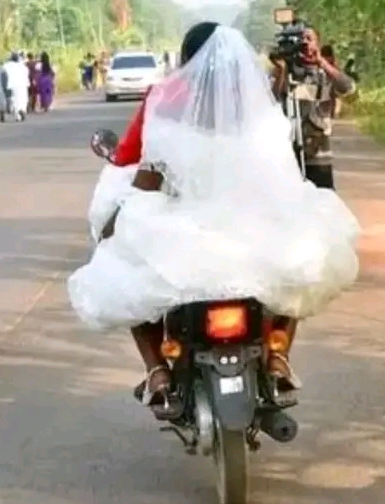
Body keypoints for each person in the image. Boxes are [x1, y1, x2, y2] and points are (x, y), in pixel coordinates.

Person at [68, 22, 359, 420]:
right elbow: (282, 175)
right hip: (249, 233)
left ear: (187, 60)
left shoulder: (165, 100)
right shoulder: (258, 106)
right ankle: (278, 359)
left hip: (184, 236)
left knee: (123, 266)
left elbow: (144, 169)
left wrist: (116, 221)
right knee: (300, 265)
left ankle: (156, 372)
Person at [270, 27, 355, 189]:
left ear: (318, 44)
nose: (305, 44)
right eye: (300, 40)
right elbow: (269, 102)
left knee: (322, 204)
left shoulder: (324, 74)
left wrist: (321, 62)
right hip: (286, 155)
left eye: (309, 39)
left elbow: (349, 88)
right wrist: (281, 71)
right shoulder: (284, 72)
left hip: (317, 154)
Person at [3, 53, 29, 121]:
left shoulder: (7, 65)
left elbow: (3, 72)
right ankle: (22, 110)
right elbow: (26, 73)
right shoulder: (22, 66)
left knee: (14, 100)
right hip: (22, 84)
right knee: (23, 99)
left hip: (13, 85)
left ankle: (18, 115)